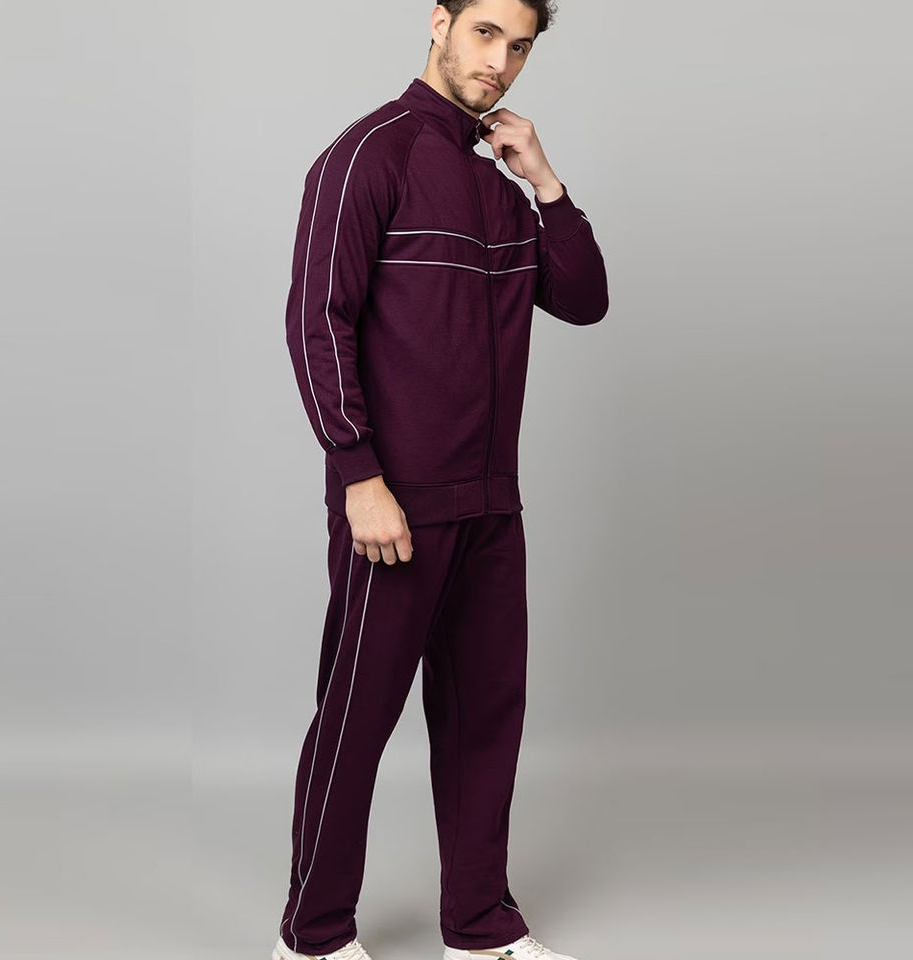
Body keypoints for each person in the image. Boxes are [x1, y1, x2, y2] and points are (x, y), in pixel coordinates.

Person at [275, 2, 608, 959]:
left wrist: (544, 181)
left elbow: (584, 299)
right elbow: (316, 319)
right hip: (396, 504)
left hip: (491, 502)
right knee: (357, 718)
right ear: (439, 22)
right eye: (484, 33)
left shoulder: (499, 185)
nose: (500, 61)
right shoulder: (367, 155)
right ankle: (312, 936)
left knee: (484, 721)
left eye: (520, 46)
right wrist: (358, 474)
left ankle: (479, 926)